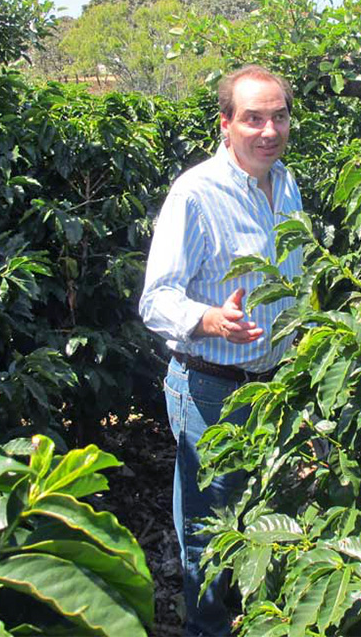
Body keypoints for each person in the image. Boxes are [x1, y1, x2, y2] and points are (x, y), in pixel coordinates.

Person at [139, 65, 303, 636]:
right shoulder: (196, 193)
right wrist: (209, 319)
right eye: (253, 118)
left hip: (273, 387)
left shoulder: (286, 183)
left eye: (278, 116)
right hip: (209, 387)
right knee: (209, 536)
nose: (268, 130)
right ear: (226, 124)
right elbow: (155, 299)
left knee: (261, 517)